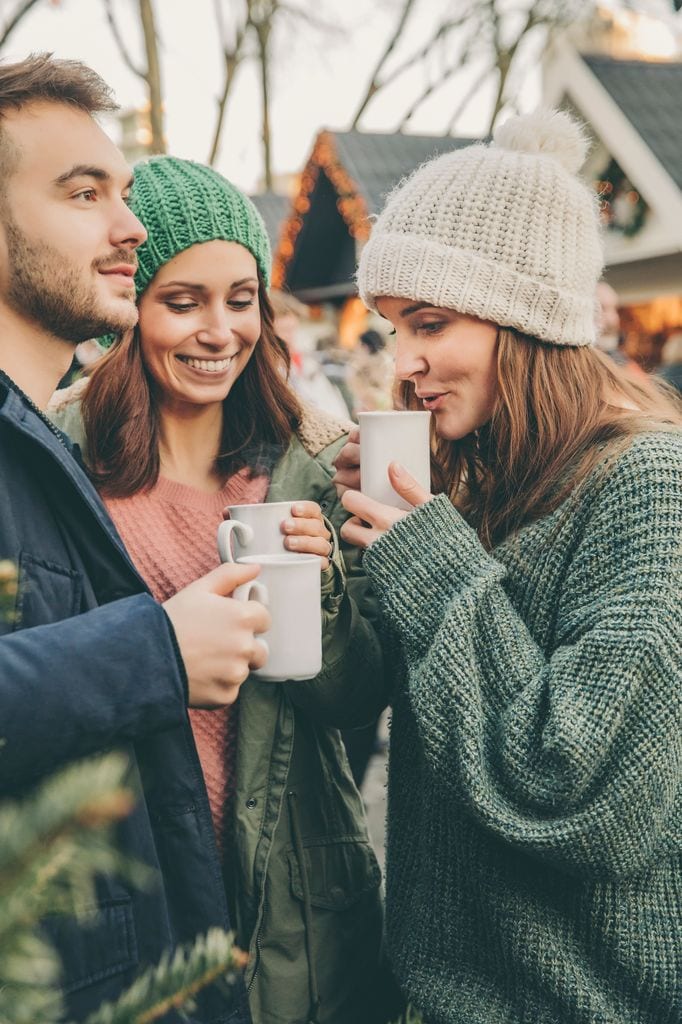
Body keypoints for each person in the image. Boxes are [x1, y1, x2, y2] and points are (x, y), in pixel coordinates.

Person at [333, 110, 682, 1024]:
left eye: (431, 322)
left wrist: (428, 559)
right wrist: (361, 555)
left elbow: (584, 793)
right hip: (438, 998)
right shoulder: (476, 483)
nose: (402, 363)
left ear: (523, 316)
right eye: (393, 326)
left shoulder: (648, 485)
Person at [49, 156, 396, 1024]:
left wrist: (320, 587)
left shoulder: (308, 464)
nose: (219, 331)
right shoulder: (56, 463)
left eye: (241, 299)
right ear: (130, 306)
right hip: (126, 877)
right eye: (183, 301)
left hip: (293, 900)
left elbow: (354, 701)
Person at [0, 53, 275, 1022]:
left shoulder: (34, 442)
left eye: (123, 193)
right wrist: (156, 650)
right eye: (85, 193)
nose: (131, 226)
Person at [270, 288, 350, 419]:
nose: (290, 338)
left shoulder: (306, 362)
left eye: (293, 330)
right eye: (284, 330)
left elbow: (333, 406)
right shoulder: (268, 373)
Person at [595, 279, 646, 379]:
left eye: (615, 309)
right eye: (602, 308)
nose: (613, 320)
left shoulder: (626, 365)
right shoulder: (570, 365)